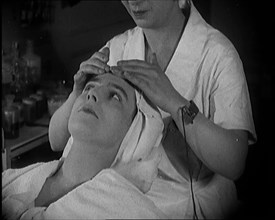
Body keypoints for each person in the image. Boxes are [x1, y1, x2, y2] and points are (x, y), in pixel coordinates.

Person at [49, 0, 257, 218]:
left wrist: (174, 102)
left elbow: (234, 162)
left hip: (184, 210)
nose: (134, 2)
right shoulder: (118, 48)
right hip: (119, 205)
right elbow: (56, 140)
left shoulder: (218, 55)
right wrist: (76, 93)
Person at [2, 73, 166, 219]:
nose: (92, 94)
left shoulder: (135, 213)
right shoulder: (10, 181)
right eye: (89, 87)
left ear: (135, 132)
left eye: (116, 96)